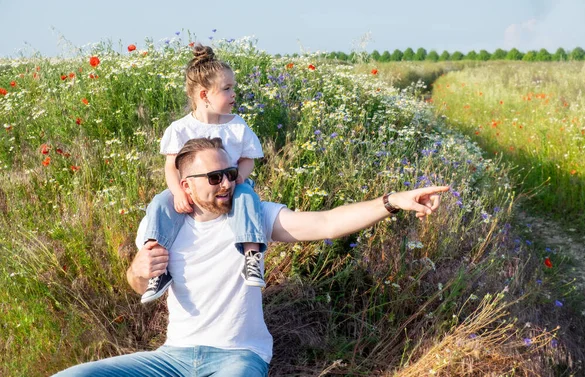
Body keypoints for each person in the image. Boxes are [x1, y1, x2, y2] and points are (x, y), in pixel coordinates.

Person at [53, 137, 449, 377]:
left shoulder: (253, 217)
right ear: (185, 187)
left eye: (228, 173)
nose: (227, 182)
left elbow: (327, 223)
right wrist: (136, 271)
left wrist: (392, 201)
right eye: (215, 178)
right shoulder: (163, 227)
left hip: (237, 358)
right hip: (172, 359)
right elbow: (139, 284)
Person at [141, 43, 267, 304]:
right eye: (227, 89)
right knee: (159, 203)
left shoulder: (237, 126)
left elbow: (248, 159)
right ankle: (159, 270)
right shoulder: (180, 129)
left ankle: (252, 257)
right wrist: (177, 192)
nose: (234, 94)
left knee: (247, 196)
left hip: (229, 185)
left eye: (233, 87)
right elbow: (170, 166)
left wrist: (239, 177)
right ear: (203, 95)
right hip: (192, 188)